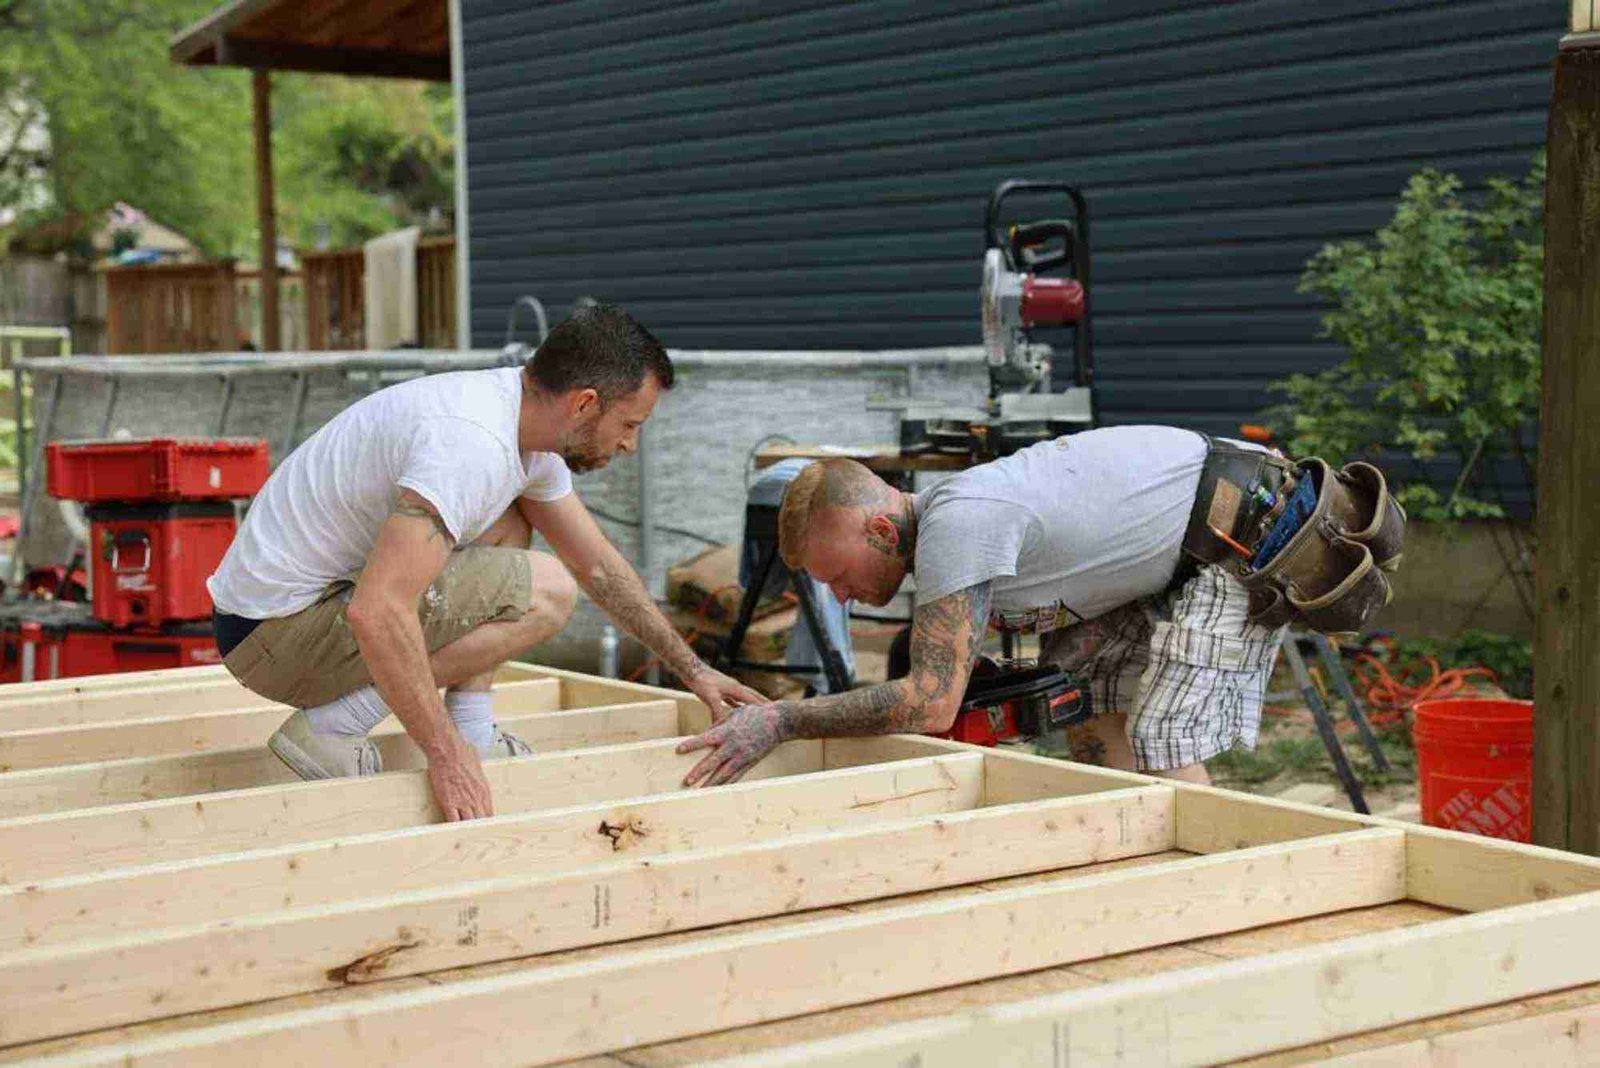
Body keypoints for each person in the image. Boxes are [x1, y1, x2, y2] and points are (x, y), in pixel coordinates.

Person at [208, 304, 763, 821]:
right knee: (547, 590)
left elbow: (598, 565)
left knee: (513, 525)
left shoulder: (520, 430)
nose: (628, 447)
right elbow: (377, 610)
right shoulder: (468, 444)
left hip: (288, 619)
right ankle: (332, 729)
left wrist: (692, 670)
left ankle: (473, 728)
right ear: (584, 404)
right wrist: (443, 756)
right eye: (631, 425)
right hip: (274, 639)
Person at [678, 425, 1304, 787]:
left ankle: (1199, 893)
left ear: (881, 532)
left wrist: (786, 720)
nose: (840, 597)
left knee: (1161, 740)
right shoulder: (949, 519)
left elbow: (930, 700)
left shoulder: (958, 523)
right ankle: (1135, 860)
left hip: (1242, 529)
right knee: (1085, 698)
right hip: (1185, 542)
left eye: (838, 577)